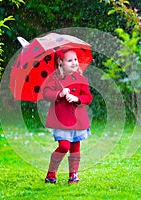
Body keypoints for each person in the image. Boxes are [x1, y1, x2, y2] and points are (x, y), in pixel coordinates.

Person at [43, 48, 93, 184]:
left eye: (75, 59)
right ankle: (51, 173)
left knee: (75, 147)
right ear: (61, 63)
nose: (74, 63)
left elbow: (88, 97)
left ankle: (73, 174)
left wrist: (77, 99)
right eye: (69, 60)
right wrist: (60, 94)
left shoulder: (81, 79)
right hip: (62, 120)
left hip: (78, 120)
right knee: (64, 146)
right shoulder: (54, 79)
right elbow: (46, 94)